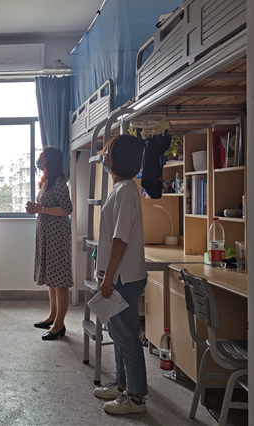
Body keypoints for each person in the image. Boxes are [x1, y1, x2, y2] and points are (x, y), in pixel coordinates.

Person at [92, 134, 148, 415]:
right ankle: (123, 384)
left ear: (119, 158)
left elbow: (120, 239)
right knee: (118, 333)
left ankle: (136, 398)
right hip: (117, 276)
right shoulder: (121, 189)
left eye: (108, 152)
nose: (104, 156)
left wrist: (108, 277)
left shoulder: (126, 191)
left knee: (126, 337)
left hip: (123, 278)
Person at [26, 147, 73, 340]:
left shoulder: (60, 182)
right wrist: (36, 209)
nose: (39, 159)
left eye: (42, 157)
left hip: (57, 237)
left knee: (60, 282)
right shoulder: (46, 181)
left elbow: (67, 209)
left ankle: (59, 325)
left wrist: (42, 209)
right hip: (45, 234)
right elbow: (44, 207)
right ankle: (52, 316)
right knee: (51, 279)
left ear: (49, 160)